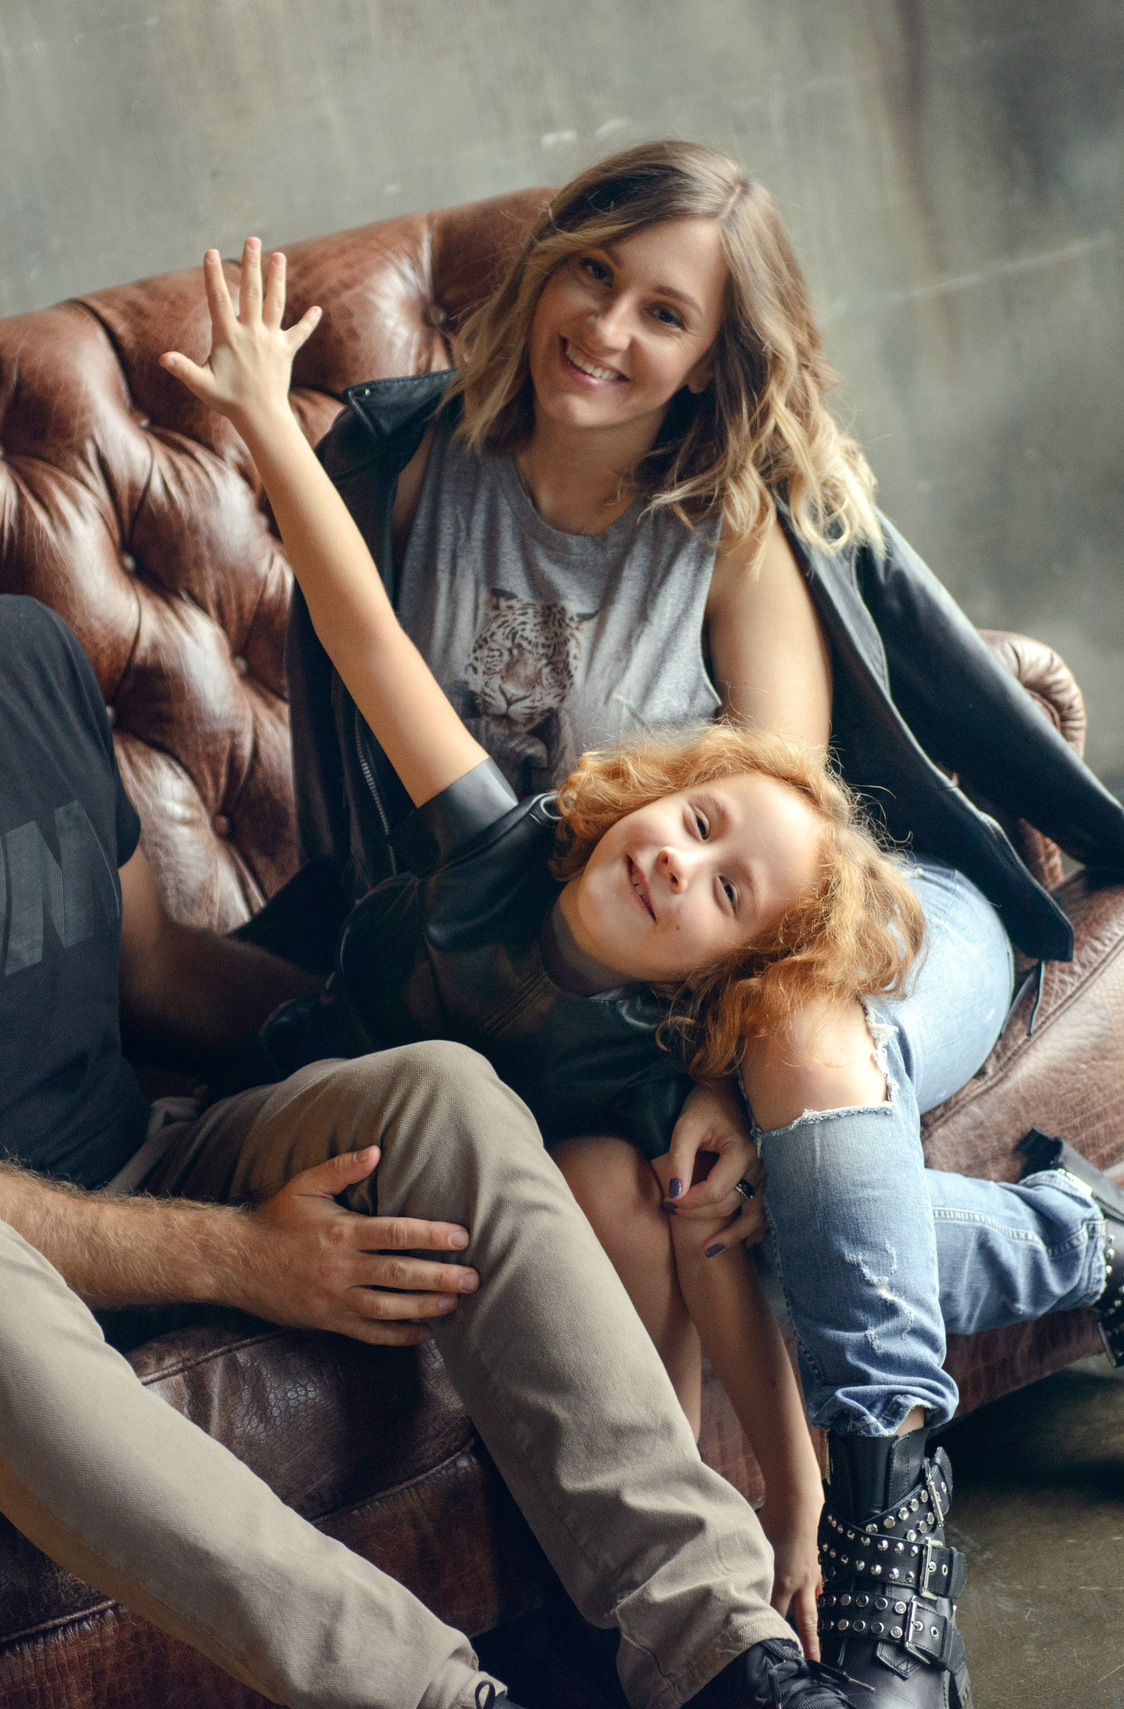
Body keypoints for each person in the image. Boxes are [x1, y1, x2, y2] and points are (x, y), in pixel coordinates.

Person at [0, 283, 880, 1709]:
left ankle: (726, 1657)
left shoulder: (20, 654)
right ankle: (438, 1697)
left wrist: (567, 1052)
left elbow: (161, 973)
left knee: (438, 1085)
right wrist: (240, 1255)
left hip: (129, 1156)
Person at [269, 142, 1124, 1708]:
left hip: (844, 920)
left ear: (711, 358)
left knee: (792, 1052)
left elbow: (785, 855)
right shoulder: (409, 467)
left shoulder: (733, 518)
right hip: (616, 979)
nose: (607, 329)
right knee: (644, 1196)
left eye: (665, 314)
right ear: (548, 265)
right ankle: (1097, 1238)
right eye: (593, 271)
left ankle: (892, 1586)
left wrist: (724, 1082)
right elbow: (391, 737)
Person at [163, 241, 932, 1655]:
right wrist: (272, 423)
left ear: (713, 975)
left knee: (644, 1199)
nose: (675, 860)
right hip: (313, 1094)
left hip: (514, 1150)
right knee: (575, 1165)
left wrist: (803, 1498)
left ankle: (659, 1574)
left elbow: (722, 1263)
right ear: (640, 789)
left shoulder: (652, 1051)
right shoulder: (507, 846)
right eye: (695, 818)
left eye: (721, 889)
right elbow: (374, 640)